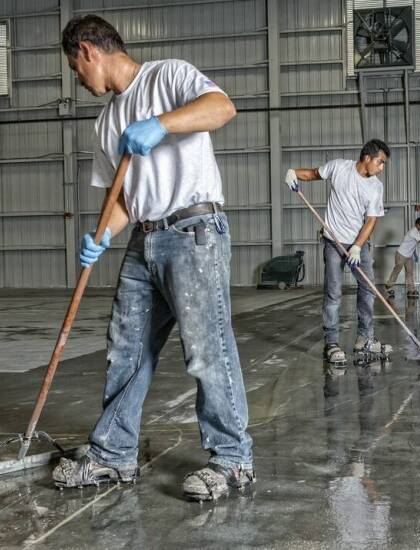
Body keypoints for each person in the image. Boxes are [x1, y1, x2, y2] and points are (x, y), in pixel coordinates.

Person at [52, 14, 253, 502]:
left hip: (193, 231)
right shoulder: (106, 123)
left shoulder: (169, 76)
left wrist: (161, 124)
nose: (79, 79)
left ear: (88, 51)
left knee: (207, 349)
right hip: (144, 240)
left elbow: (222, 108)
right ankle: (114, 453)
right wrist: (101, 236)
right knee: (127, 349)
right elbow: (123, 199)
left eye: (76, 68)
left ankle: (233, 459)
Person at [284, 140, 390, 366]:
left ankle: (364, 339)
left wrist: (357, 247)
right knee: (333, 294)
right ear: (367, 158)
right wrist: (293, 173)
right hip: (333, 242)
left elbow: (371, 221)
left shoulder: (376, 187)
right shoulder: (339, 167)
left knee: (368, 290)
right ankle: (331, 343)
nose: (382, 168)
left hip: (359, 245)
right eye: (380, 162)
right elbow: (313, 174)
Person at [384, 217, 420, 299]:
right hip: (401, 254)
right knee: (397, 270)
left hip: (409, 256)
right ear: (418, 224)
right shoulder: (414, 232)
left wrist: (415, 254)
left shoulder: (417, 233)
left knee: (410, 273)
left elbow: (412, 244)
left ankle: (411, 290)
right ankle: (389, 286)